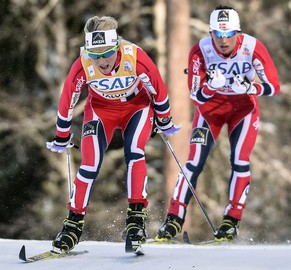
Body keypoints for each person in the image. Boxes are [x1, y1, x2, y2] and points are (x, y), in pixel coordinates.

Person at [46, 15, 180, 252]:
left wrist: (165, 119)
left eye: (107, 53)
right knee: (89, 164)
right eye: (95, 55)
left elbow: (158, 88)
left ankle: (136, 221)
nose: (102, 61)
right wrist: (62, 134)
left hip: (136, 107)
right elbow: (68, 97)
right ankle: (72, 226)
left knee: (135, 153)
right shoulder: (84, 62)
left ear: (116, 46)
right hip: (101, 110)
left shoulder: (134, 57)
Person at [155, 5, 280, 242]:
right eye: (218, 35)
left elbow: (274, 86)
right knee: (193, 162)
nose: (223, 41)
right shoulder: (200, 51)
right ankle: (173, 219)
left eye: (229, 35)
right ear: (211, 32)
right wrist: (211, 86)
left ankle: (231, 221)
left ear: (237, 33)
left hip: (243, 111)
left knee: (240, 160)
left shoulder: (252, 47)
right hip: (209, 112)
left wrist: (253, 87)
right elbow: (194, 95)